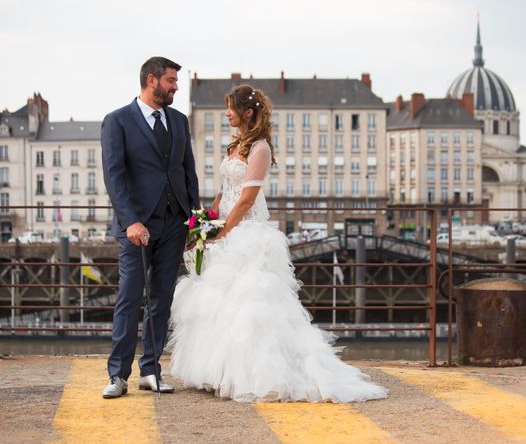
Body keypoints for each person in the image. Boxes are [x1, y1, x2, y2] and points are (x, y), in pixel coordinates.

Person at [169, 85, 387, 403]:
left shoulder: (259, 148)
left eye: (231, 108)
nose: (226, 113)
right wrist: (207, 219)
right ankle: (219, 373)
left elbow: (247, 198)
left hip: (245, 233)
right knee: (219, 305)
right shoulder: (234, 147)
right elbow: (224, 192)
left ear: (248, 113)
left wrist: (225, 231)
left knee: (251, 307)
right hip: (225, 228)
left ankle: (258, 375)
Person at [101, 57, 199, 398]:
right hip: (136, 228)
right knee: (129, 298)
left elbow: (188, 173)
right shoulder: (118, 122)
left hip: (174, 223)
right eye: (171, 81)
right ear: (151, 80)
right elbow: (114, 177)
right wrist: (130, 221)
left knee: (162, 301)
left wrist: (192, 222)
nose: (175, 87)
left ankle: (151, 370)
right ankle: (118, 375)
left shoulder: (179, 120)